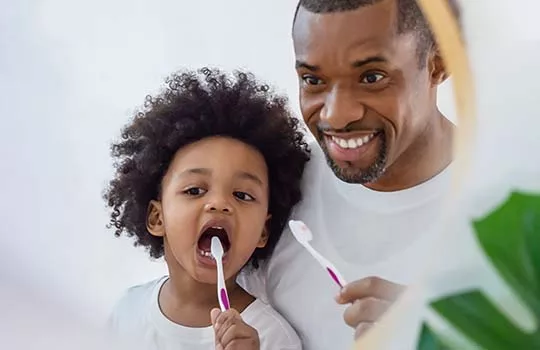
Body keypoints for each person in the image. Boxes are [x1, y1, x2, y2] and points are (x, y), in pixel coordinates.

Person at [239, 0, 460, 349]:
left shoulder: (513, 198)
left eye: (372, 78)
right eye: (313, 80)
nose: (337, 116)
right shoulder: (269, 190)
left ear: (438, 64)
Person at [104, 67, 310, 350]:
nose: (219, 203)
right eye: (194, 190)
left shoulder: (270, 337)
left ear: (263, 230)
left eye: (242, 194)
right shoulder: (127, 311)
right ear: (156, 217)